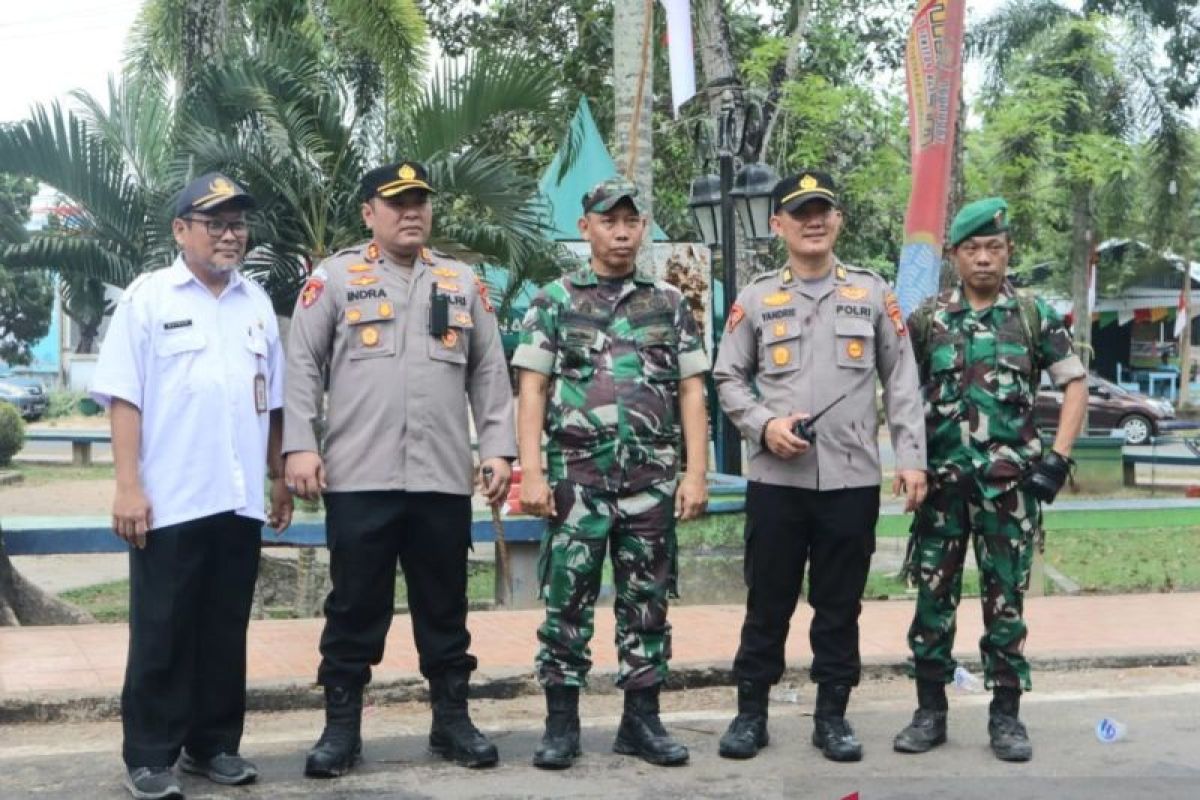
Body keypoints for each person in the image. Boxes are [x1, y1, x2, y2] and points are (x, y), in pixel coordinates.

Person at [284, 161, 515, 776]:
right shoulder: (334, 279)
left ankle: (452, 722)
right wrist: (299, 447)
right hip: (360, 477)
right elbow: (302, 366)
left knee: (445, 606)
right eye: (396, 202)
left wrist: (496, 449)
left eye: (419, 202)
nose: (411, 212)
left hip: (441, 478)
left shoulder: (461, 282)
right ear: (369, 213)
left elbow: (489, 372)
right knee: (355, 607)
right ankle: (341, 731)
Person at [713, 171, 927, 763]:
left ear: (837, 220)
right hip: (775, 482)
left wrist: (911, 458)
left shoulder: (871, 293)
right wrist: (763, 425)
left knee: (839, 606)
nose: (813, 221)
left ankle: (831, 716)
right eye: (800, 212)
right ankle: (750, 713)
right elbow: (727, 375)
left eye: (823, 210)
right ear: (778, 224)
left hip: (851, 481)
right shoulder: (756, 297)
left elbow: (901, 378)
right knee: (768, 601)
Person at [90, 173, 291, 800]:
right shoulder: (149, 298)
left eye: (237, 224)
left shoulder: (255, 302)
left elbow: (274, 400)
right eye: (215, 223)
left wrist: (280, 476)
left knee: (224, 628)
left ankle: (213, 745)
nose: (230, 234)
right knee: (162, 628)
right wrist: (129, 486)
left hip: (238, 498)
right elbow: (123, 396)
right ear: (182, 231)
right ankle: (150, 755)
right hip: (172, 497)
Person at [512, 178, 710, 769]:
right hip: (576, 480)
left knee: (646, 602)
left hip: (650, 483)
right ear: (586, 229)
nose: (620, 231)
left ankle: (641, 723)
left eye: (630, 221)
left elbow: (693, 391)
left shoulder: (670, 303)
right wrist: (531, 474)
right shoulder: (554, 300)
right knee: (565, 600)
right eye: (608, 221)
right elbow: (533, 388)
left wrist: (696, 473)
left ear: (643, 228)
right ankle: (561, 725)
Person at [893, 197, 1086, 762]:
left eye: (993, 248)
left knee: (1006, 605)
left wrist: (1058, 458)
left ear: (1007, 252)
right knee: (932, 602)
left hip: (1010, 490)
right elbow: (903, 396)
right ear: (954, 255)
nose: (983, 259)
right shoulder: (929, 318)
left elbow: (1074, 383)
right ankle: (930, 711)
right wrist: (909, 461)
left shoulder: (1031, 315)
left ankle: (1006, 716)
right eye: (972, 249)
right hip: (942, 488)